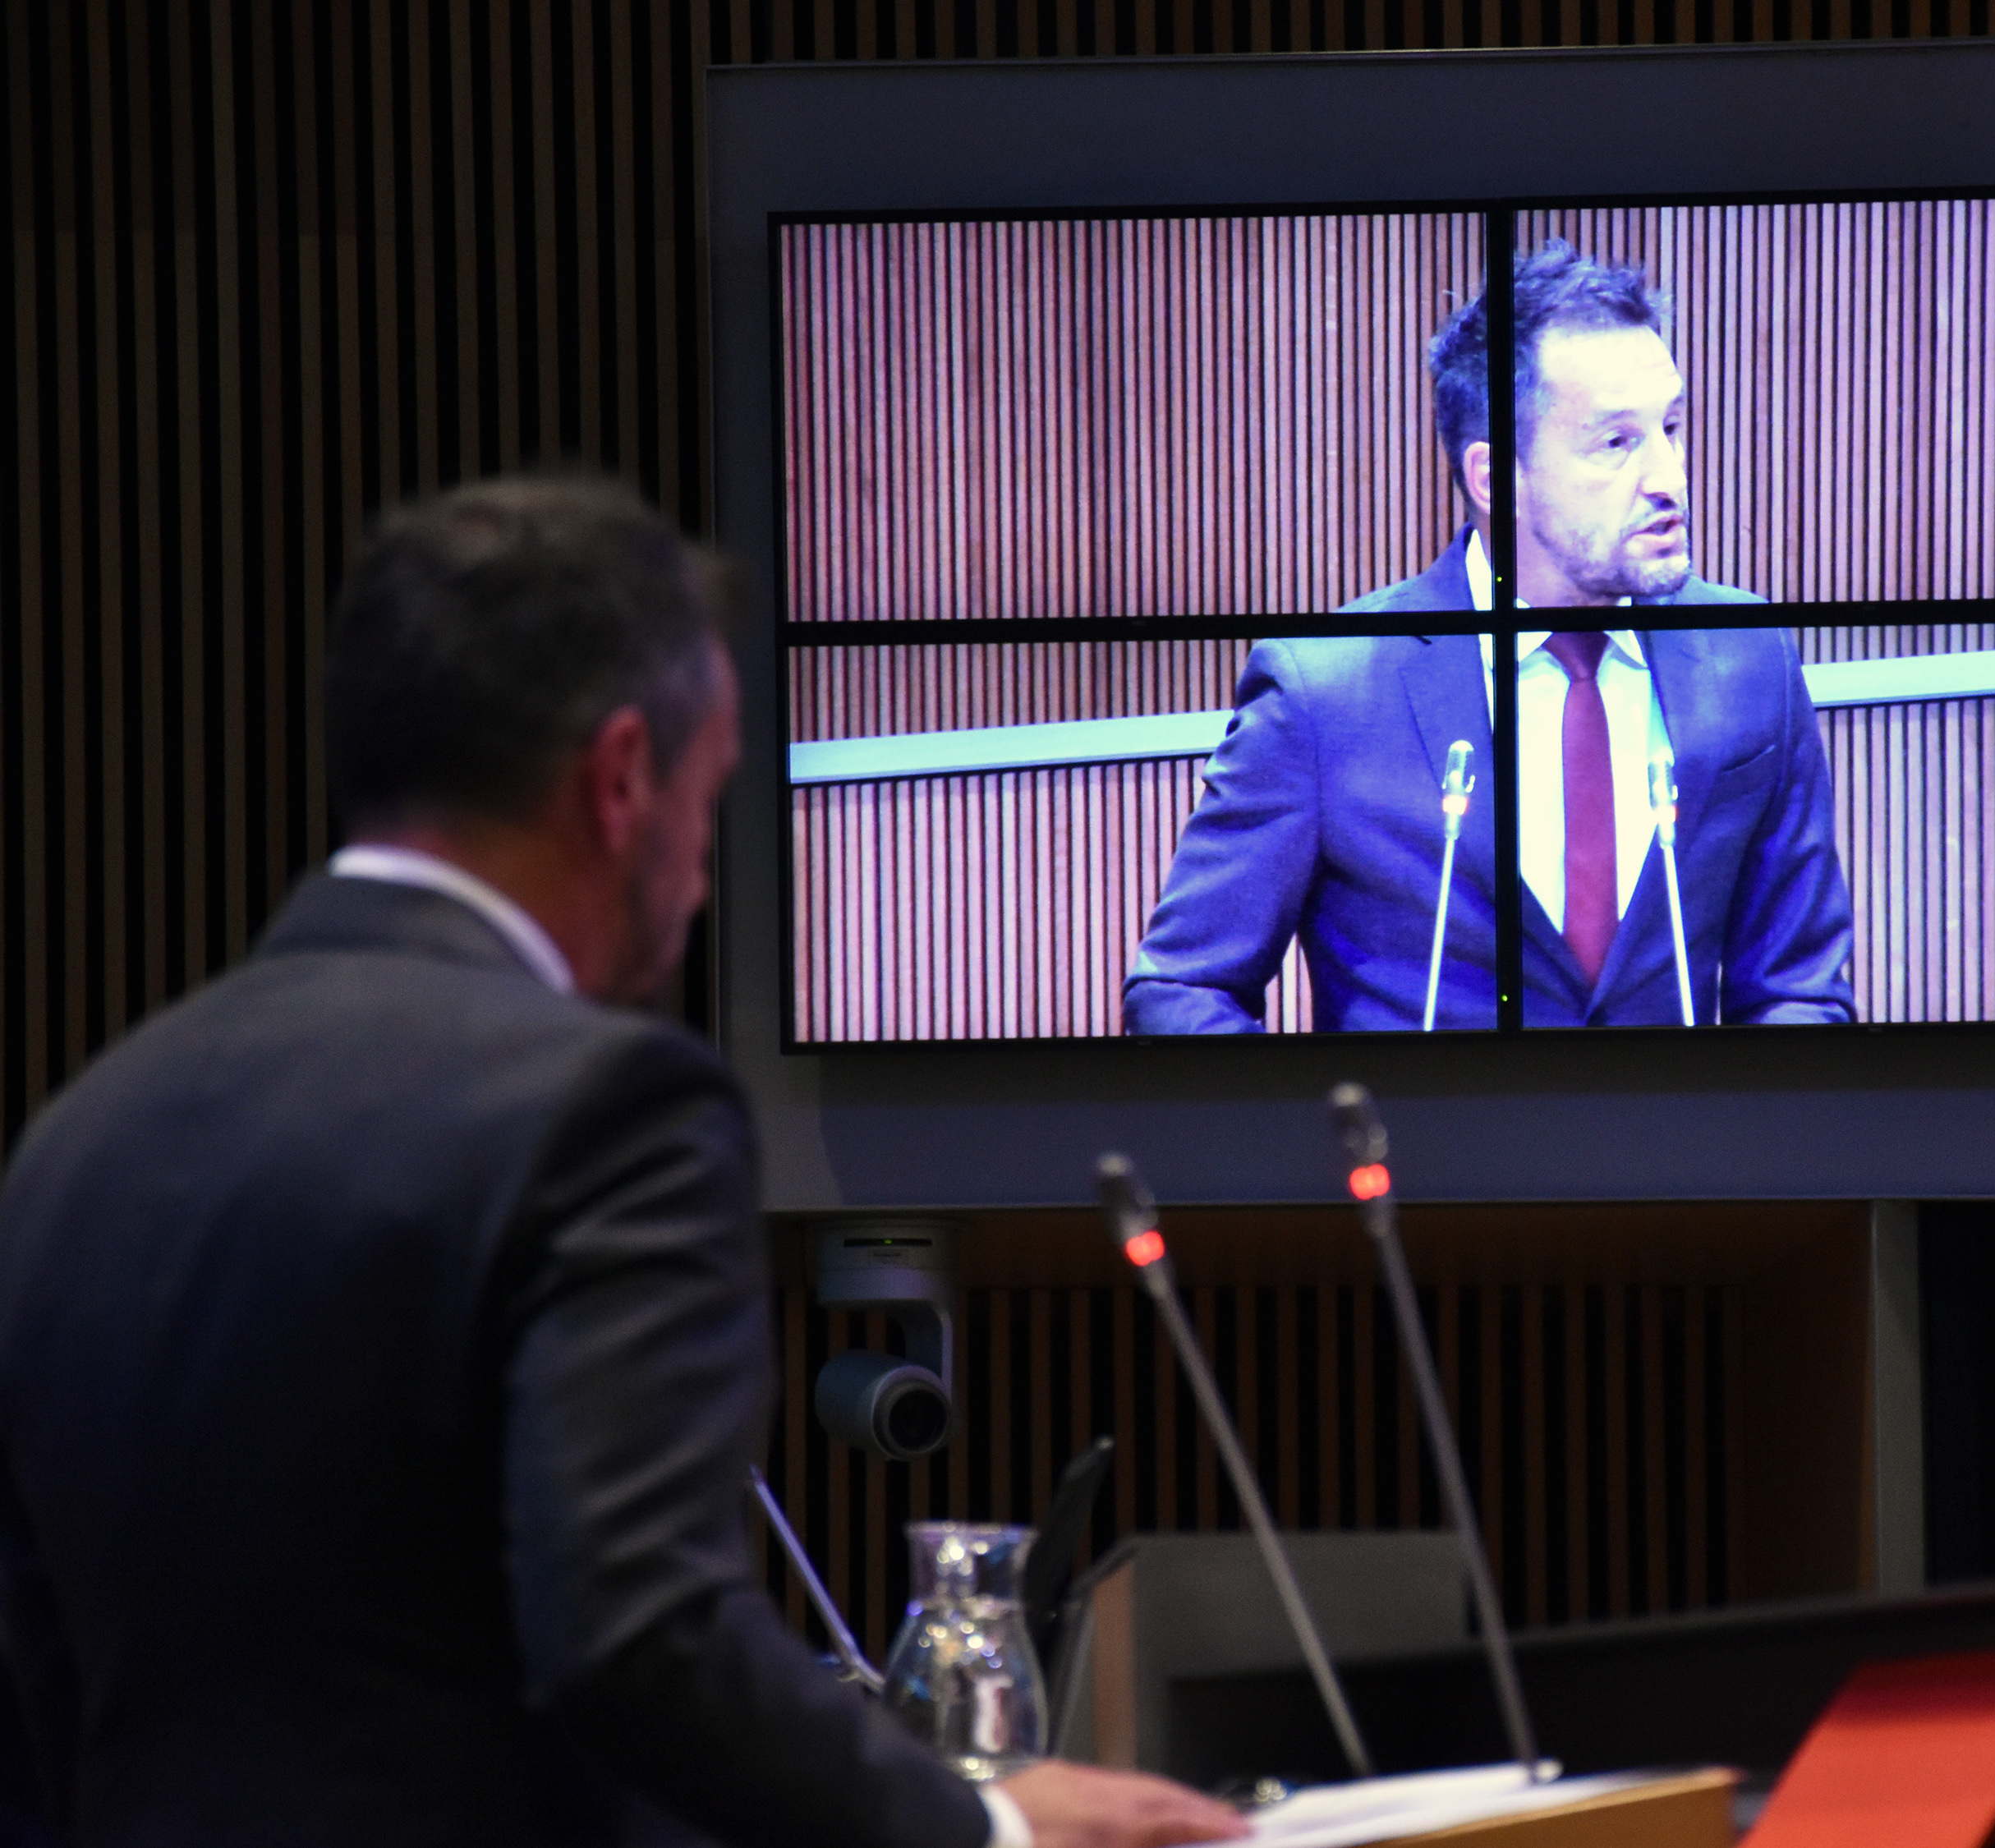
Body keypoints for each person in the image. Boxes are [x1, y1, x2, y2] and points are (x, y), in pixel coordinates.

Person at [0, 476, 1244, 1848]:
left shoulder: (79, 1140)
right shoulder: (603, 1108)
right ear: (620, 781)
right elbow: (638, 1636)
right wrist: (987, 1828)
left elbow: (36, 1691)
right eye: (708, 800)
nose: (700, 877)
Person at [1124, 246, 1855, 1032]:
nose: (1668, 477)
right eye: (1616, 443)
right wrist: (1331, 1112)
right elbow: (1181, 991)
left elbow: (1801, 991)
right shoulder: (1325, 695)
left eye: (1669, 428)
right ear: (1493, 477)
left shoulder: (1746, 657)